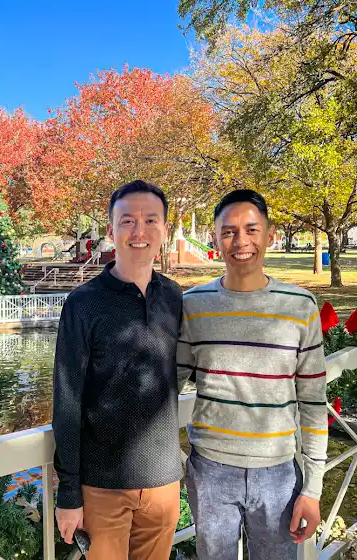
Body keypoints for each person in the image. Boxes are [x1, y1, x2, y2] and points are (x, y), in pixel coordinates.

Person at [177, 189, 328, 560]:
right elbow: (167, 387)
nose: (240, 241)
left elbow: (313, 403)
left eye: (251, 229)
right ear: (215, 239)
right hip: (210, 472)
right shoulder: (193, 305)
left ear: (270, 235)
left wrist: (312, 489)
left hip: (278, 474)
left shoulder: (299, 306)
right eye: (228, 232)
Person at [53, 180, 184, 560]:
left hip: (163, 482)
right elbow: (67, 401)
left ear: (164, 229)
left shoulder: (174, 297)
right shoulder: (83, 304)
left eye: (150, 220)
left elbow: (178, 373)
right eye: (127, 221)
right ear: (111, 230)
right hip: (102, 486)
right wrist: (69, 492)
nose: (139, 231)